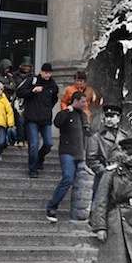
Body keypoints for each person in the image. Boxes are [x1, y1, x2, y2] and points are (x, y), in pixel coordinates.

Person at [47, 91, 90, 222]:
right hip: (67, 152)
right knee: (68, 178)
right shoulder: (66, 113)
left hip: (80, 153)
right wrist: (67, 111)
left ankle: (78, 212)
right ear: (75, 100)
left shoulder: (83, 115)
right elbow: (57, 123)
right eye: (82, 101)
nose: (85, 104)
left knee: (82, 183)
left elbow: (87, 132)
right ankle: (52, 207)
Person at [16, 62, 59, 178]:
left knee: (49, 143)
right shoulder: (32, 80)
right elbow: (19, 92)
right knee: (33, 145)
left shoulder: (53, 85)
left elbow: (54, 99)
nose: (47, 75)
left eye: (49, 73)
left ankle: (40, 158)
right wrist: (32, 91)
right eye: (46, 72)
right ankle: (33, 169)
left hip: (45, 118)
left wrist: (47, 108)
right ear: (41, 72)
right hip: (32, 118)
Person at [86, 104, 128, 200]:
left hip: (121, 178)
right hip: (103, 177)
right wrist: (105, 172)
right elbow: (91, 159)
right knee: (99, 206)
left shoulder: (124, 136)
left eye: (112, 116)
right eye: (107, 116)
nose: (109, 119)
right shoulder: (97, 137)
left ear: (118, 118)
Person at [11, 56, 35, 148]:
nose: (26, 68)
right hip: (18, 101)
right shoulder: (14, 76)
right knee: (19, 120)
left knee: (27, 120)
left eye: (28, 66)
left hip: (28, 100)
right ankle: (20, 139)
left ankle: (26, 139)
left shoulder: (33, 77)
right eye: (25, 66)